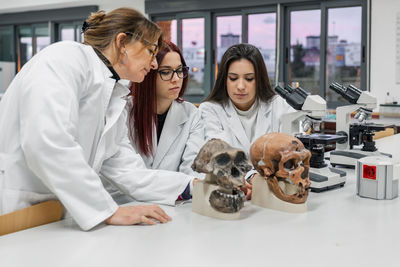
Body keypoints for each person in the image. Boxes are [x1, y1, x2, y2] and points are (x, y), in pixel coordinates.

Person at [0, 8, 195, 231]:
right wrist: (109, 210)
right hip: (16, 209)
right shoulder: (64, 59)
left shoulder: (114, 93)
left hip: (59, 216)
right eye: (151, 51)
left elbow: (126, 169)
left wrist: (192, 186)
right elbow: (46, 142)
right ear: (122, 43)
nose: (153, 64)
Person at [199, 43, 294, 197]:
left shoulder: (277, 105)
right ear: (224, 80)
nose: (241, 86)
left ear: (260, 79)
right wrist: (251, 177)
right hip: (234, 195)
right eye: (233, 78)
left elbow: (292, 148)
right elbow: (220, 156)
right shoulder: (210, 110)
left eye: (249, 79)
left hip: (274, 194)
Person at [128, 40, 205, 185]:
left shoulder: (191, 114)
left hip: (173, 202)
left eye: (179, 70)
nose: (176, 79)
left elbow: (193, 166)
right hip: (127, 202)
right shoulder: (124, 112)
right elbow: (125, 173)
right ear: (148, 73)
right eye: (166, 72)